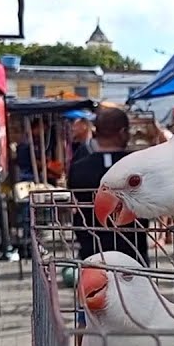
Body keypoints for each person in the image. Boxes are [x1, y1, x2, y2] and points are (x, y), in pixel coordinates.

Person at [68, 105, 150, 266]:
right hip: (133, 251)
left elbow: (76, 202)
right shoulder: (139, 166)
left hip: (92, 250)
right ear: (122, 132)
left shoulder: (78, 168)